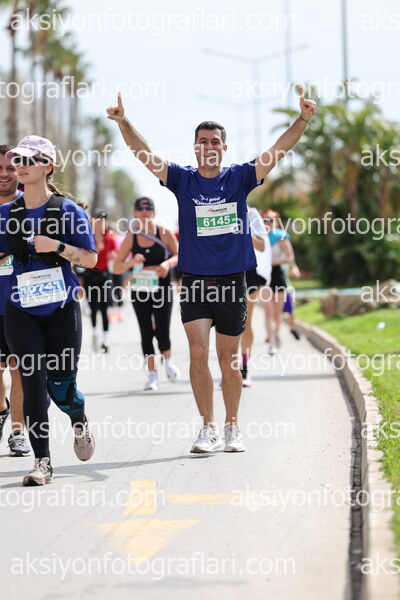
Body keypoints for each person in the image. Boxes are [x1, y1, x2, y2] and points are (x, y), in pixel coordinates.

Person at [106, 88, 317, 453]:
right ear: (195, 148)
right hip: (194, 282)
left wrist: (302, 119)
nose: (208, 146)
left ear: (224, 147)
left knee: (228, 359)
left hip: (232, 281)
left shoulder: (239, 178)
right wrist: (124, 121)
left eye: (215, 141)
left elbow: (278, 151)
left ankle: (232, 425)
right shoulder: (182, 180)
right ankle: (208, 427)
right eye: (202, 141)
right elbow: (145, 155)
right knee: (198, 352)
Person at [0, 135, 97, 486]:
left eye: (30, 160)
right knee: (32, 382)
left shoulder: (68, 211)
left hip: (61, 308)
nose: (21, 166)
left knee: (61, 386)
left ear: (47, 166)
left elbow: (90, 259)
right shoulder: (6, 214)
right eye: (19, 160)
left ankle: (79, 420)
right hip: (20, 309)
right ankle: (42, 462)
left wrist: (55, 245)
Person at [113, 197, 180, 390]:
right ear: (135, 213)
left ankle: (167, 362)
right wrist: (131, 263)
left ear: (154, 212)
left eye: (148, 208)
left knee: (162, 329)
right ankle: (152, 374)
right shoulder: (131, 238)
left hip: (162, 287)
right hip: (140, 288)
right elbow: (116, 267)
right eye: (140, 208)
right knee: (145, 331)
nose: (144, 211)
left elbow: (179, 255)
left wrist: (167, 264)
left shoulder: (163, 233)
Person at [0, 145, 30, 457]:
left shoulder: (29, 204)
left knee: (18, 369)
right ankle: (2, 410)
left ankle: (18, 432)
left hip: (22, 303)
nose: (5, 174)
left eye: (10, 168)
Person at [261, 209, 300, 354]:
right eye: (264, 219)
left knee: (277, 315)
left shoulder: (281, 237)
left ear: (275, 222)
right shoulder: (257, 236)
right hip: (263, 277)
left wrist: (275, 262)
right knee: (268, 312)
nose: (267, 222)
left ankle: (276, 334)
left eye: (270, 220)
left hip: (278, 276)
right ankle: (272, 343)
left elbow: (290, 258)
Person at [241, 207, 272, 387]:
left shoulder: (251, 214)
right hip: (222, 271)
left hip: (249, 272)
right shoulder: (214, 208)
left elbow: (261, 246)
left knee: (245, 322)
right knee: (223, 326)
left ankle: (244, 369)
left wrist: (242, 228)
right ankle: (228, 370)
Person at [84, 208, 116, 353]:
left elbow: (115, 253)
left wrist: (113, 255)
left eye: (103, 219)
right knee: (92, 307)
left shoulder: (109, 237)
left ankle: (106, 339)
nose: (101, 221)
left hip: (104, 275)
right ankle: (94, 334)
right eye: (98, 218)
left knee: (104, 308)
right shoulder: (87, 236)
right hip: (90, 275)